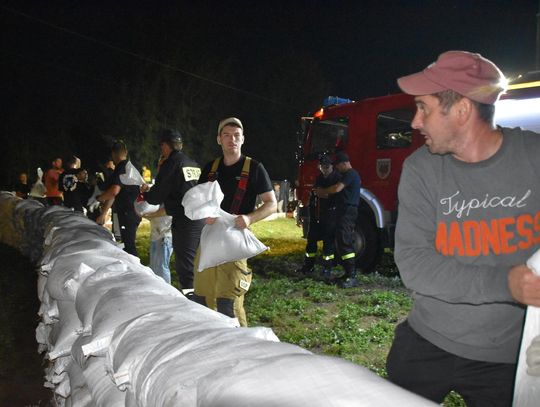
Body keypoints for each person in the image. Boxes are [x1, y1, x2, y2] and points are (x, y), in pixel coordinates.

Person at [384, 50, 540, 406]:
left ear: (462, 110)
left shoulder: (535, 159)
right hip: (426, 343)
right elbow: (414, 263)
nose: (414, 122)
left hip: (508, 356)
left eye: (423, 107)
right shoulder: (421, 169)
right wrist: (505, 283)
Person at [192, 117, 276, 327]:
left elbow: (271, 203)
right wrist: (204, 214)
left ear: (243, 139)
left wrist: (249, 218)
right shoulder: (210, 168)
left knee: (228, 304)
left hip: (235, 241)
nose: (232, 140)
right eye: (227, 135)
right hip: (210, 240)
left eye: (237, 136)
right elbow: (199, 201)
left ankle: (242, 350)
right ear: (219, 139)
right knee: (203, 300)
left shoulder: (255, 168)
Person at [142, 129, 204, 292]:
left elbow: (155, 197)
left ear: (165, 145)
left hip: (185, 221)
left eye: (161, 146)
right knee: (197, 263)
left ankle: (194, 304)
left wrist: (145, 193)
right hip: (201, 220)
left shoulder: (171, 163)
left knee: (185, 267)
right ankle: (201, 296)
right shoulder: (192, 163)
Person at [313, 151, 361, 288]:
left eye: (338, 166)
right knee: (342, 240)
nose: (337, 169)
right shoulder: (348, 175)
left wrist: (323, 191)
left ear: (345, 163)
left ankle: (351, 276)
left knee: (345, 241)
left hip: (348, 212)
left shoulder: (351, 174)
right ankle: (347, 274)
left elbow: (337, 188)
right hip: (344, 211)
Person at [297, 154, 341, 279]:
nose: (324, 169)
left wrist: (324, 194)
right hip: (317, 215)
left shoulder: (336, 178)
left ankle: (327, 268)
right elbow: (314, 194)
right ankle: (308, 266)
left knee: (328, 243)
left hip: (330, 215)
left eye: (326, 167)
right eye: (322, 167)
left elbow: (336, 195)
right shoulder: (319, 178)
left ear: (332, 166)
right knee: (311, 241)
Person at [96, 140, 141, 256]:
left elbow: (114, 191)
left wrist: (100, 198)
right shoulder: (130, 167)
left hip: (128, 212)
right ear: (125, 152)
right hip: (132, 212)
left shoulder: (121, 167)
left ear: (113, 154)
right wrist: (103, 213)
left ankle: (135, 271)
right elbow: (115, 194)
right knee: (126, 244)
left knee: (129, 246)